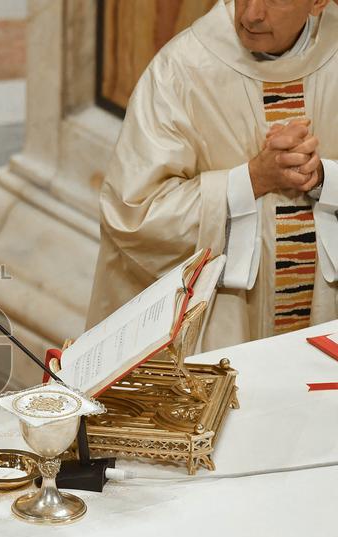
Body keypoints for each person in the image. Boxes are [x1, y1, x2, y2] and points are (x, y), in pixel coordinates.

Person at [87, 0, 337, 349]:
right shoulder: (181, 70)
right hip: (220, 338)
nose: (251, 14)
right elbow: (134, 212)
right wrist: (252, 180)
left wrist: (322, 176)